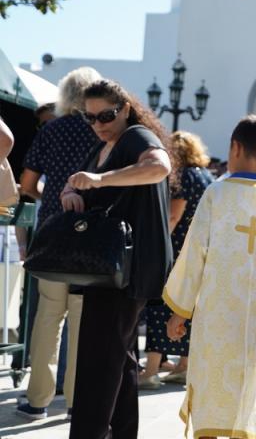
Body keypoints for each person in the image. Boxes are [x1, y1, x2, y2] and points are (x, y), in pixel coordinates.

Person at [163, 115, 256, 439]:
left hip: (218, 313)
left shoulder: (217, 194)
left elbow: (194, 255)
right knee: (252, 382)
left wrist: (180, 311)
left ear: (234, 147)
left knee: (211, 380)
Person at [65, 79, 174, 439]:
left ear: (126, 108)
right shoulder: (106, 145)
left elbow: (159, 166)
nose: (99, 124)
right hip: (109, 270)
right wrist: (72, 190)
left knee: (98, 364)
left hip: (123, 271)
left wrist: (98, 180)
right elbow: (79, 183)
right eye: (90, 117)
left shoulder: (137, 137)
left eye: (107, 115)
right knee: (119, 360)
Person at [15, 68, 101, 421]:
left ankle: (37, 401)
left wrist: (50, 199)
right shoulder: (103, 133)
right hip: (91, 237)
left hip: (52, 232)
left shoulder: (51, 130)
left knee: (47, 318)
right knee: (82, 322)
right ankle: (76, 404)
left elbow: (26, 183)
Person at [139, 131, 214, 389]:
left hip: (175, 251)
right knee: (188, 307)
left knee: (161, 306)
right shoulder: (207, 176)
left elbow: (173, 217)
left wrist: (155, 247)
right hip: (197, 251)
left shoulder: (183, 177)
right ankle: (183, 365)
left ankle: (150, 371)